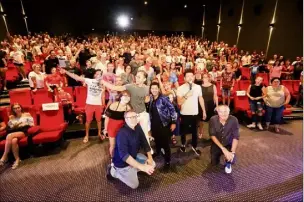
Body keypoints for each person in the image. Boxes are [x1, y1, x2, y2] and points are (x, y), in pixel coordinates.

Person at [101, 70, 152, 153]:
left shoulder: (147, 88)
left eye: (139, 77)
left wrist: (148, 98)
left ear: (144, 79)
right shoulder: (130, 86)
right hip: (132, 115)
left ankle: (149, 154)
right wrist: (103, 81)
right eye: (136, 76)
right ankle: (131, 152)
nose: (137, 78)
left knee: (145, 135)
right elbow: (115, 88)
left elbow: (147, 99)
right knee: (131, 135)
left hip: (142, 114)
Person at [106, 110, 155, 189]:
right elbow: (124, 156)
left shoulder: (137, 127)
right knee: (135, 185)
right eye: (130, 117)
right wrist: (142, 167)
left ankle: (134, 169)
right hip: (122, 163)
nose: (133, 119)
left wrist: (150, 158)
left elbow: (145, 143)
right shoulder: (122, 133)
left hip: (133, 156)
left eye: (135, 116)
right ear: (125, 119)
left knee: (152, 164)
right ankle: (113, 171)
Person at [60, 68, 105, 143]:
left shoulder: (103, 83)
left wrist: (103, 104)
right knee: (88, 121)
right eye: (96, 74)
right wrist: (66, 72)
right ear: (94, 75)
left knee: (99, 120)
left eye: (99, 74)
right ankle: (86, 135)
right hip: (89, 104)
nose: (98, 75)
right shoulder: (89, 81)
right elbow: (76, 77)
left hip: (98, 105)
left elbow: (103, 95)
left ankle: (99, 133)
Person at [146, 82, 177, 169]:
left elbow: (172, 110)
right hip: (154, 124)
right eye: (152, 88)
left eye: (156, 88)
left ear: (159, 89)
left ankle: (167, 161)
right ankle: (158, 152)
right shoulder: (151, 98)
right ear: (150, 90)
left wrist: (174, 122)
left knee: (165, 144)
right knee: (157, 140)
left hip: (164, 124)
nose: (154, 90)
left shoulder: (164, 98)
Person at [177, 69, 206, 155]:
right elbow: (179, 102)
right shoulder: (180, 88)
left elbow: (200, 99)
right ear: (185, 78)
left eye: (191, 76)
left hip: (194, 113)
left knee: (194, 131)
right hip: (184, 114)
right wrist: (186, 95)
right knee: (183, 132)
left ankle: (194, 146)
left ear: (194, 77)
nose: (190, 77)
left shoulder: (198, 87)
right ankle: (183, 145)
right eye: (187, 76)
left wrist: (204, 110)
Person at [0, 103, 34, 169]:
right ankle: (17, 160)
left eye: (18, 107)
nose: (17, 109)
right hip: (14, 132)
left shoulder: (27, 114)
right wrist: (15, 125)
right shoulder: (11, 117)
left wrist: (23, 124)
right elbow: (9, 126)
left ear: (21, 108)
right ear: (13, 110)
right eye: (15, 108)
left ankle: (4, 156)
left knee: (9, 136)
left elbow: (32, 124)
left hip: (23, 131)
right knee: (14, 140)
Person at [209, 105, 239, 174]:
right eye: (221, 111)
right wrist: (223, 149)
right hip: (217, 143)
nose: (223, 114)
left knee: (232, 159)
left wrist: (232, 152)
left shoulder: (234, 120)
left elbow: (236, 137)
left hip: (228, 143)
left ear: (229, 112)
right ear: (217, 112)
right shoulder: (213, 119)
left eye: (225, 111)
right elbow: (212, 135)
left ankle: (228, 163)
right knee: (214, 162)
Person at [105, 91, 132, 157]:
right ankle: (112, 159)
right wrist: (105, 129)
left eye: (128, 96)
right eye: (125, 95)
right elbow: (107, 118)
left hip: (122, 128)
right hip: (112, 127)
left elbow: (129, 119)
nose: (126, 97)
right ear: (120, 97)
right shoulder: (114, 105)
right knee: (113, 145)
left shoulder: (128, 107)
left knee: (122, 144)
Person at [198, 73, 218, 137]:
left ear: (209, 78)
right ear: (202, 78)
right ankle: (200, 131)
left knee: (211, 120)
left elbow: (215, 96)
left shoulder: (213, 86)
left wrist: (217, 106)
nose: (205, 79)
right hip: (202, 104)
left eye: (206, 77)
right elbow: (199, 97)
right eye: (204, 77)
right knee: (201, 120)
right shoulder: (200, 87)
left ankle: (211, 133)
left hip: (210, 104)